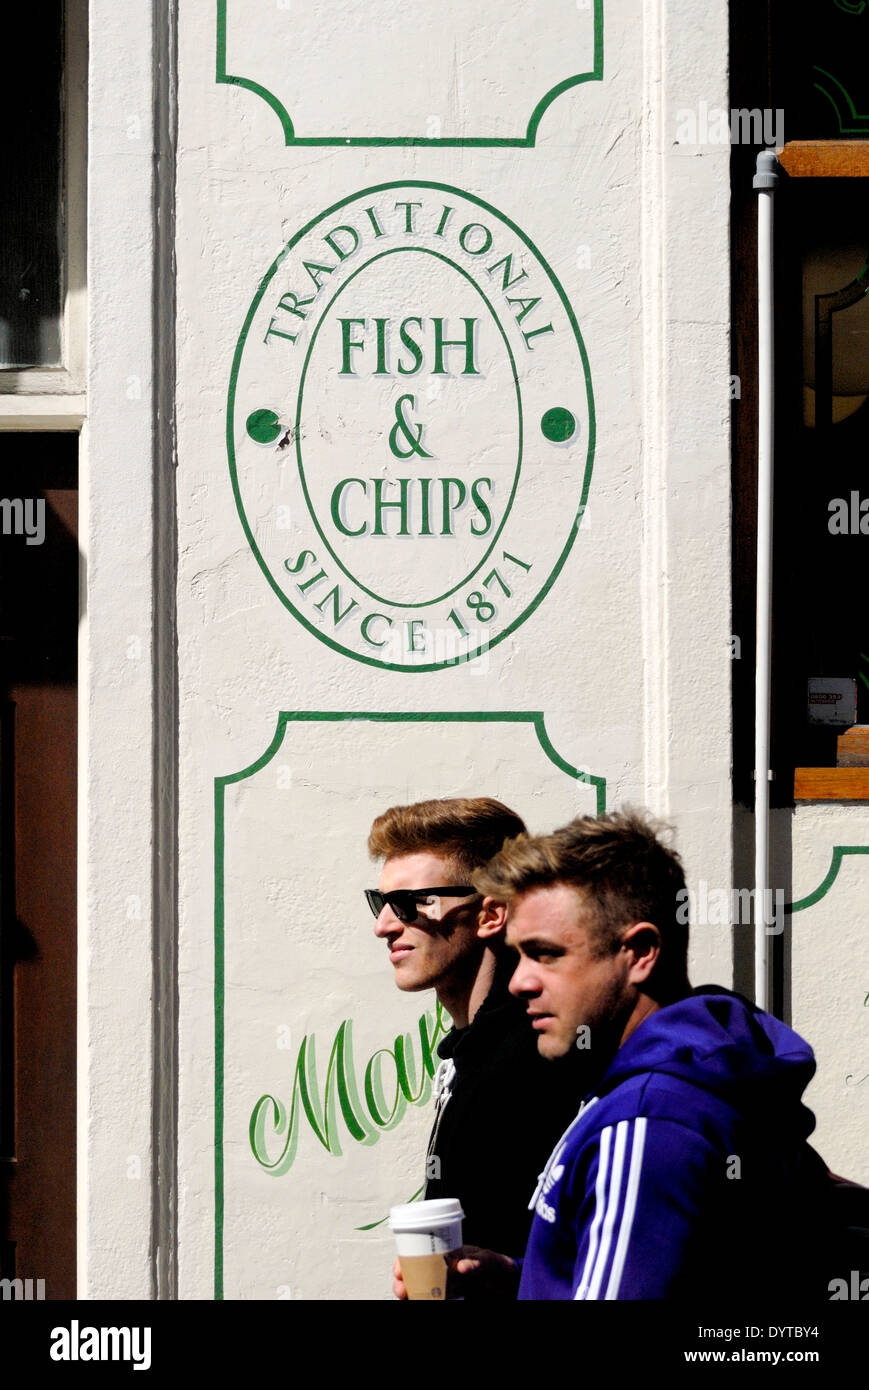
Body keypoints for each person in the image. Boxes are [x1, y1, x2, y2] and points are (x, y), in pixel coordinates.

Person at [458, 808, 837, 1300]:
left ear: (639, 953)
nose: (519, 982)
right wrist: (515, 1276)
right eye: (519, 955)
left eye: (546, 953)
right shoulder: (697, 1073)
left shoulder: (649, 1116)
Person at [365, 797, 587, 1294]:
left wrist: (506, 1275)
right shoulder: (476, 1050)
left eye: (411, 903)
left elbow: (607, 1257)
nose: (384, 925)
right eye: (381, 902)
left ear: (490, 914)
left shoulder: (533, 1057)